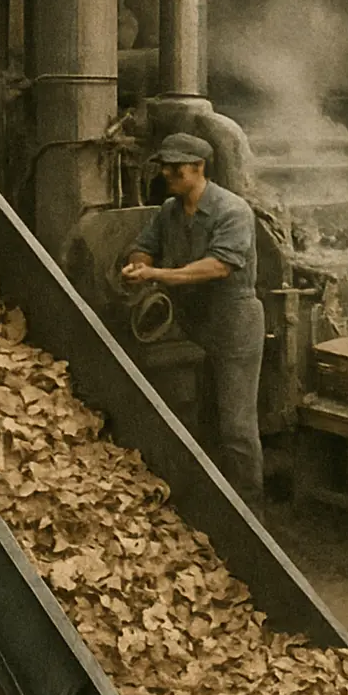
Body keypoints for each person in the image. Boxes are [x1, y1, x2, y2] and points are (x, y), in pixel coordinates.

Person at [122, 132, 265, 515]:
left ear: (199, 168)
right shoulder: (169, 209)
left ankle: (251, 517)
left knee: (237, 426)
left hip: (233, 321)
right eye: (164, 165)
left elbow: (217, 267)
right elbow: (144, 244)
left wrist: (156, 275)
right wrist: (140, 262)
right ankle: (210, 503)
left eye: (175, 167)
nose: (166, 172)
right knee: (199, 416)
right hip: (193, 322)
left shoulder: (233, 210)